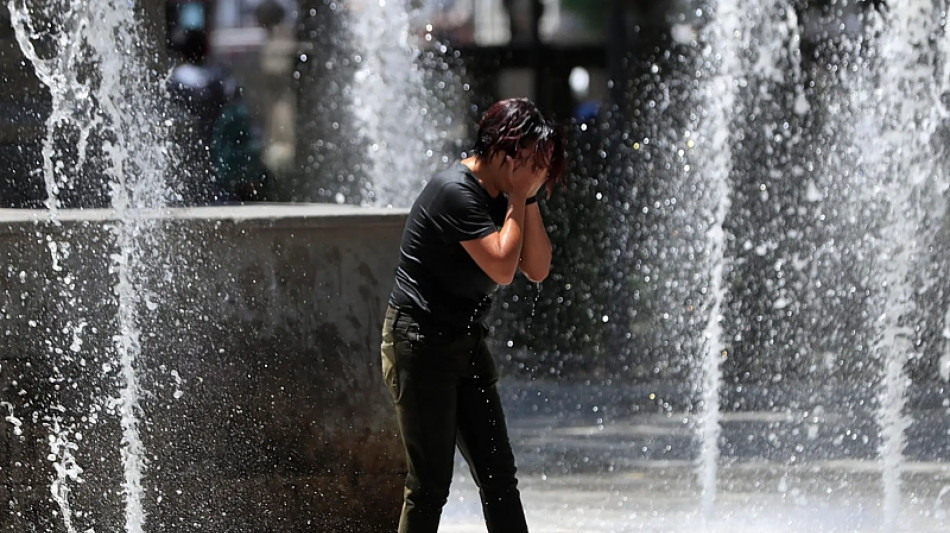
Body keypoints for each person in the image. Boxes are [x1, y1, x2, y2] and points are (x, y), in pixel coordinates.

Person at [380, 98, 566, 533]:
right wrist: (519, 195)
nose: (538, 172)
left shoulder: (509, 193)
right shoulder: (454, 191)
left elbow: (536, 268)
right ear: (506, 152)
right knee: (430, 485)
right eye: (533, 162)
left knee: (499, 477)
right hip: (419, 344)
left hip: (465, 343)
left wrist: (528, 197)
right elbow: (502, 267)